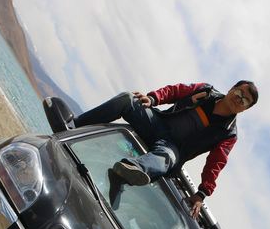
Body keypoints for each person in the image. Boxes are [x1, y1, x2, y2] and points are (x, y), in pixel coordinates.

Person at [73, 81, 259, 219]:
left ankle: (131, 169)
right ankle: (73, 125)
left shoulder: (228, 134)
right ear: (231, 88)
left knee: (166, 159)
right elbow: (176, 91)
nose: (239, 98)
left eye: (244, 100)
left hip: (172, 148)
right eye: (239, 92)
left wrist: (202, 193)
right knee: (127, 99)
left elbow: (216, 163)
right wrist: (153, 98)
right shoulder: (205, 91)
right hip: (157, 123)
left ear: (245, 109)